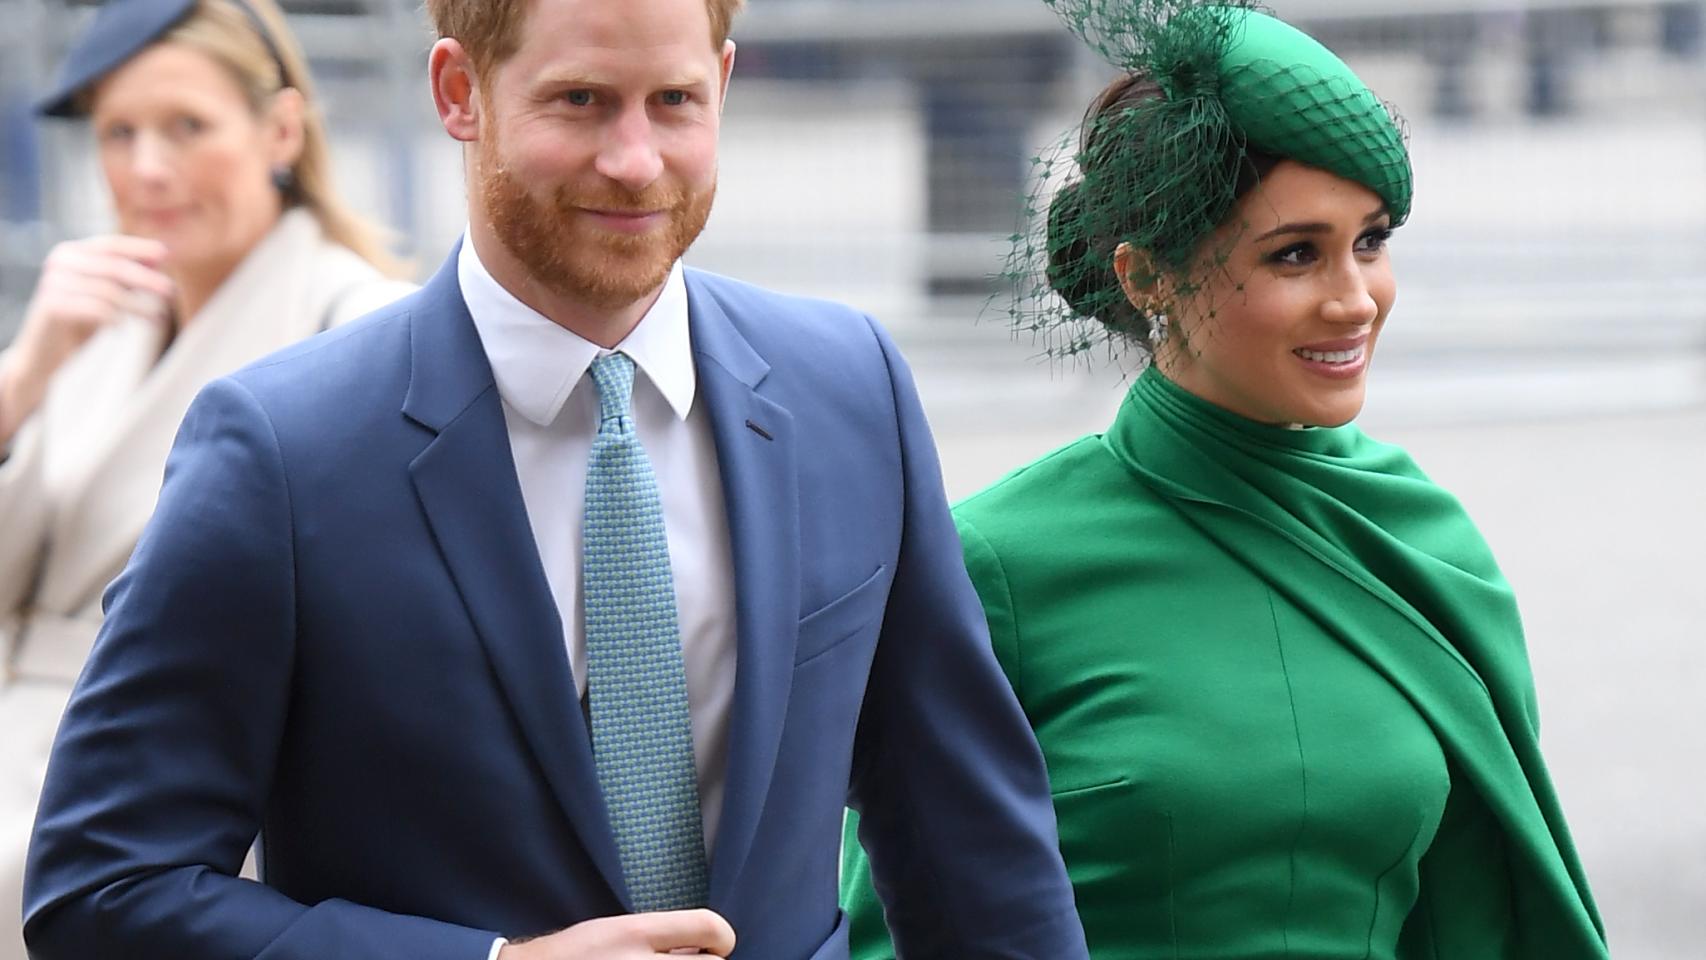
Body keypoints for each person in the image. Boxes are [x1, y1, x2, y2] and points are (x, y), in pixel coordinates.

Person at [21, 0, 1090, 957]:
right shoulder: (279, 450)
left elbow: (970, 847)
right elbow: (104, 884)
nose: (634, 160)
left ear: (721, 81)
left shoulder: (849, 389)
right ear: (458, 92)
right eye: (578, 101)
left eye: (671, 101)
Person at [841, 2, 1609, 958]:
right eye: (1296, 254)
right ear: (1146, 277)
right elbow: (895, 934)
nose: (1355, 298)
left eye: (1370, 242)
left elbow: (1482, 916)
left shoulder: (1422, 538)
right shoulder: (993, 564)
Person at [0, 0, 411, 955]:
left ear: (279, 130)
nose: (147, 169)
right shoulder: (100, 318)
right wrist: (25, 371)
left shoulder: (357, 323)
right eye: (119, 133)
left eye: (187, 127)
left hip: (164, 796)